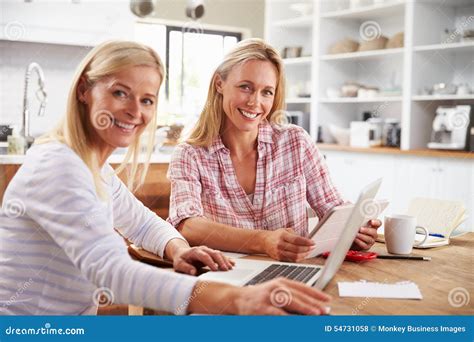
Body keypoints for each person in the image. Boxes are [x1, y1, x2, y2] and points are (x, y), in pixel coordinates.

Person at [0, 41, 331, 316]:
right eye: (120, 93)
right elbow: (113, 272)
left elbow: (143, 225)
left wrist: (177, 250)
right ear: (85, 90)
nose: (135, 111)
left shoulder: (92, 167)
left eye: (146, 100)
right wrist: (241, 299)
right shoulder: (58, 166)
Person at [168, 38, 381, 262]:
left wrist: (354, 229)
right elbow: (187, 225)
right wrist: (263, 240)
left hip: (294, 274)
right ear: (219, 84)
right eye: (245, 87)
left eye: (267, 92)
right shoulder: (190, 154)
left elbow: (333, 208)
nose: (254, 102)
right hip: (227, 279)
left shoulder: (295, 142)